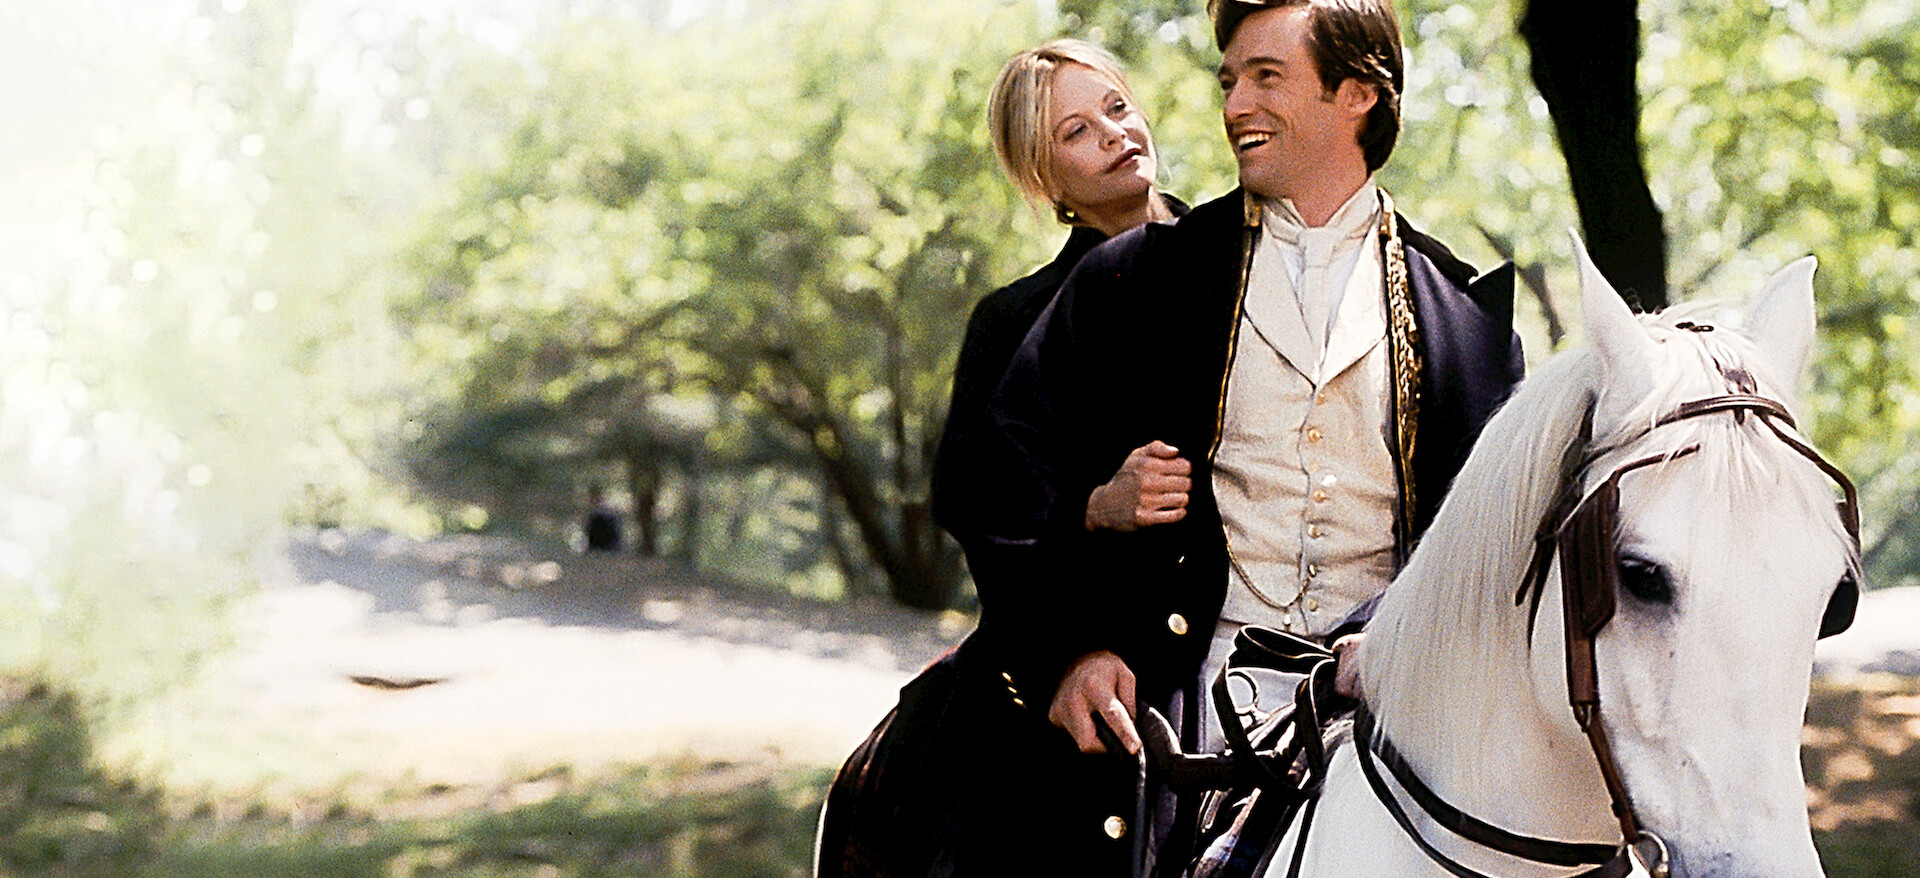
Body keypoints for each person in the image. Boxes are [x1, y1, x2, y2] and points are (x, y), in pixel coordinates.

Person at [989, 0, 1524, 871]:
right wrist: (1070, 651)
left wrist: (1397, 634)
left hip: (1393, 717)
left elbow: (1498, 540)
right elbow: (1004, 475)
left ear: (1356, 94)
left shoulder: (1468, 319)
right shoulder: (1136, 278)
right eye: (1230, 82)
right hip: (1186, 710)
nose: (1236, 106)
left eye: (1266, 78)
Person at [815, 39, 1189, 877]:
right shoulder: (1013, 321)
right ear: (1043, 177)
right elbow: (975, 502)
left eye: (1118, 109)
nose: (1114, 134)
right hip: (1083, 653)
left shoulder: (1250, 260)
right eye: (1076, 132)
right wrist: (1095, 506)